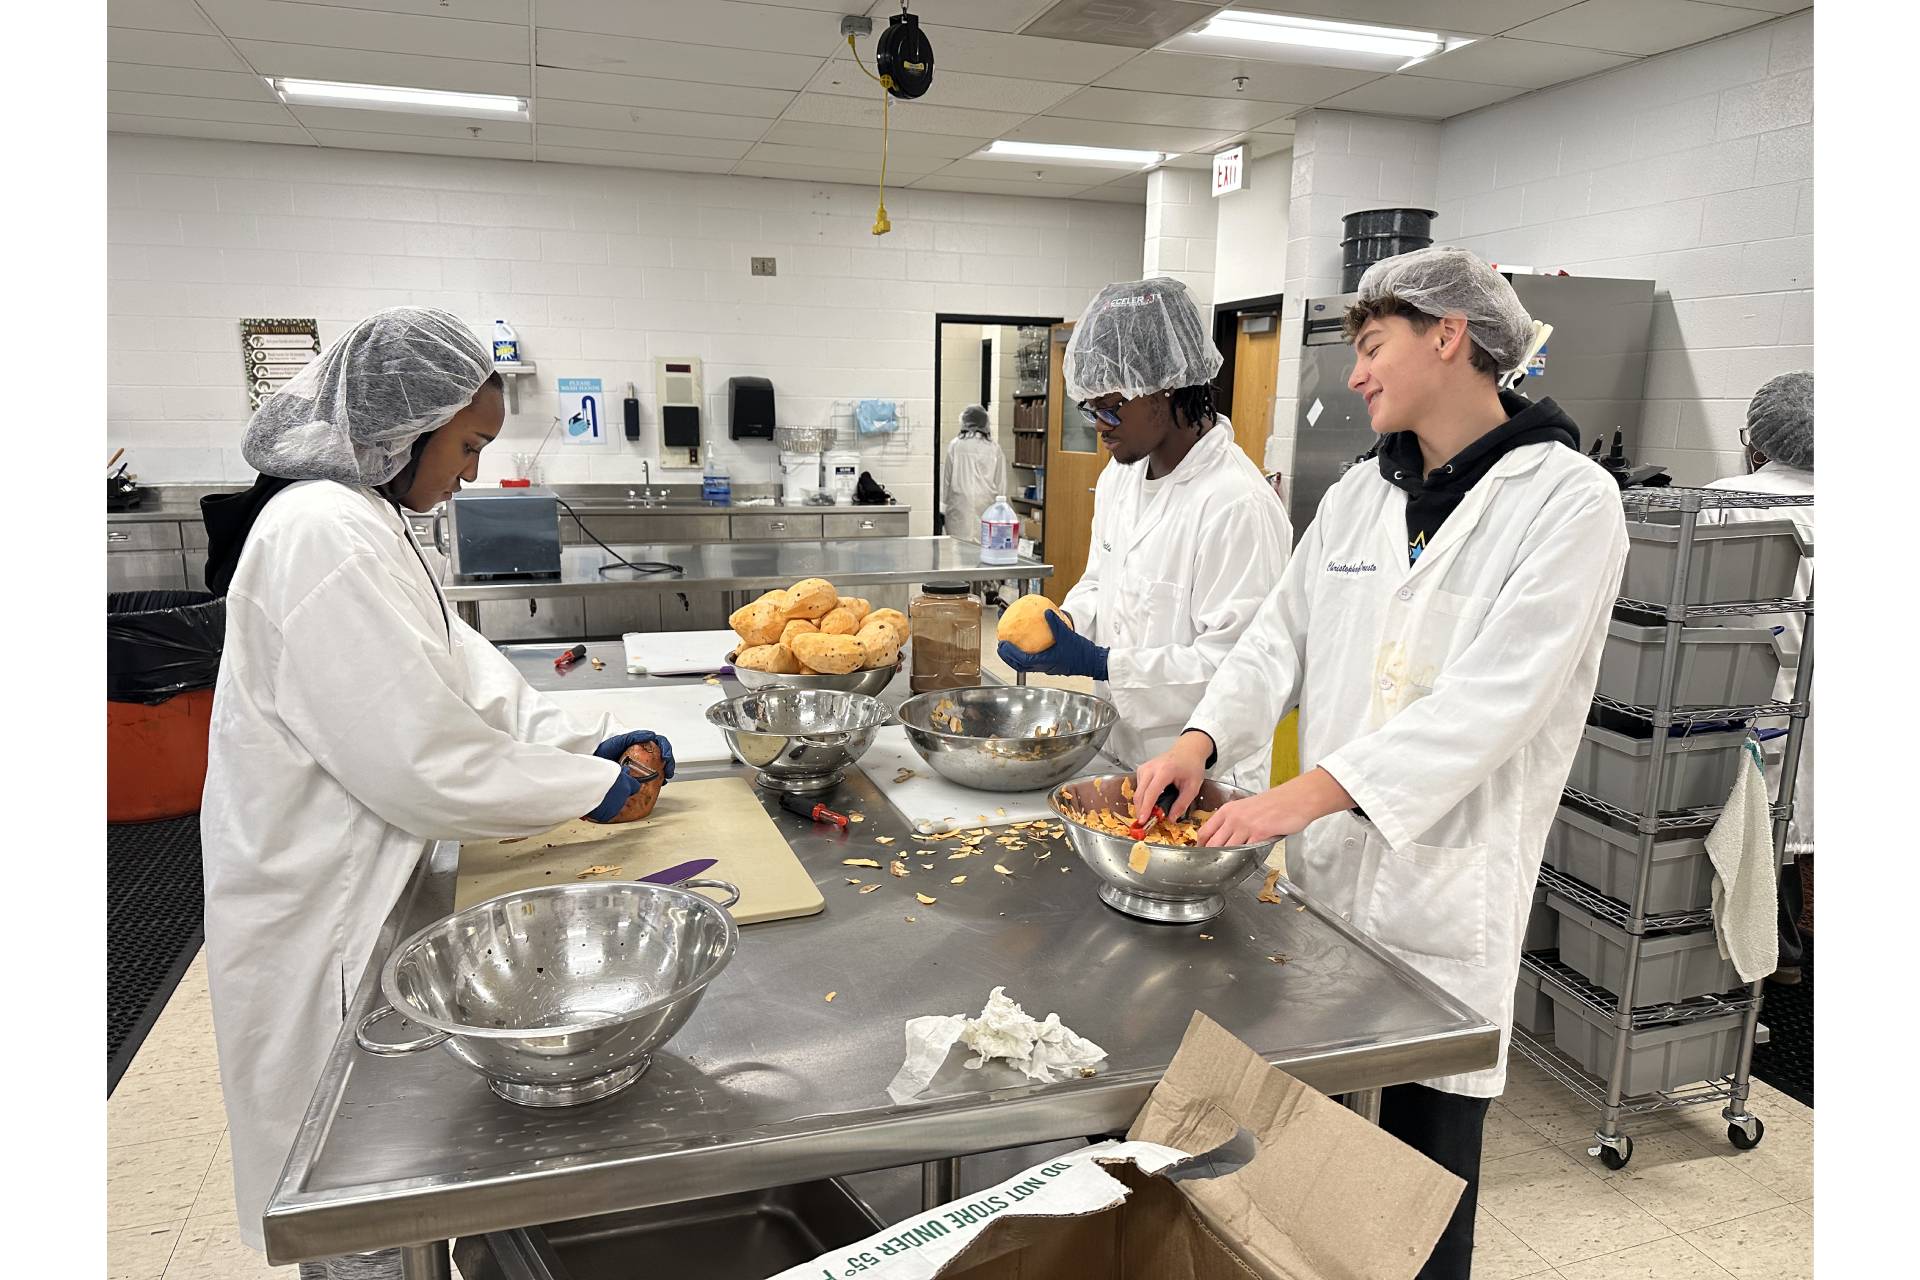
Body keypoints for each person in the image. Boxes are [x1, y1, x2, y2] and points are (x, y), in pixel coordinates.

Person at [1135, 248, 1629, 1280]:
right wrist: (1203, 737)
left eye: (1370, 346)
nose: (1354, 374)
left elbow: (1496, 702)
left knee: (1417, 1195)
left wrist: (1303, 795)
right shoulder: (1363, 494)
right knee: (1309, 1183)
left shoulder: (1569, 502)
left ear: (1448, 335)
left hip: (1444, 900)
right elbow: (1278, 635)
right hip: (1330, 897)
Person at [199, 307, 674, 1279]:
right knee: (360, 1213)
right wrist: (591, 788)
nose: (468, 471)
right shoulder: (318, 531)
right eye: (467, 445)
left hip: (373, 895)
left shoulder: (364, 517)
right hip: (321, 919)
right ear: (399, 428)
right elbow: (418, 756)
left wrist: (584, 737)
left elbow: (461, 677)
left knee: (405, 1180)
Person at [997, 277, 1292, 790]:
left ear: (1166, 390)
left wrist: (1104, 663)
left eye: (1110, 406)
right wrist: (1065, 622)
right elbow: (1099, 582)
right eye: (1089, 409)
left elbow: (1240, 666)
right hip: (1118, 750)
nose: (1099, 425)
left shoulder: (1236, 504)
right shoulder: (1121, 476)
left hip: (1204, 774)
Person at [1702, 371, 1814, 985]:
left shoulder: (1727, 497)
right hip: (1807, 707)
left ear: (1758, 438)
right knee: (1782, 832)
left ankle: (1752, 963)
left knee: (1744, 831)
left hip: (1754, 695)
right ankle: (1785, 955)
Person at [942, 403, 1006, 543]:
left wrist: (942, 506)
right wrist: (1001, 508)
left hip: (958, 507)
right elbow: (1001, 483)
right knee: (983, 552)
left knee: (957, 553)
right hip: (986, 506)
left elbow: (946, 480)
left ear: (964, 422)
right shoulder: (994, 448)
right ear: (986, 423)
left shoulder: (955, 445)